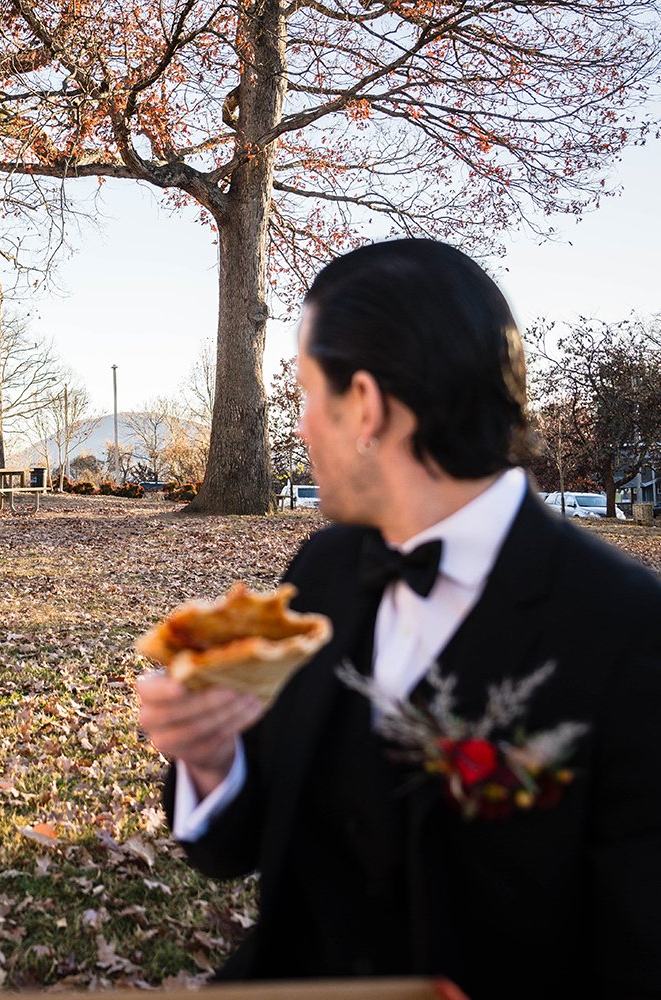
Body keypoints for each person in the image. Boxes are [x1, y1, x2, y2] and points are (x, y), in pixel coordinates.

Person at [137, 238, 661, 997]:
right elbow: (236, 848)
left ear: (369, 407)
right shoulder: (318, 577)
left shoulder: (630, 635)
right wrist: (212, 759)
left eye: (309, 395)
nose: (304, 426)